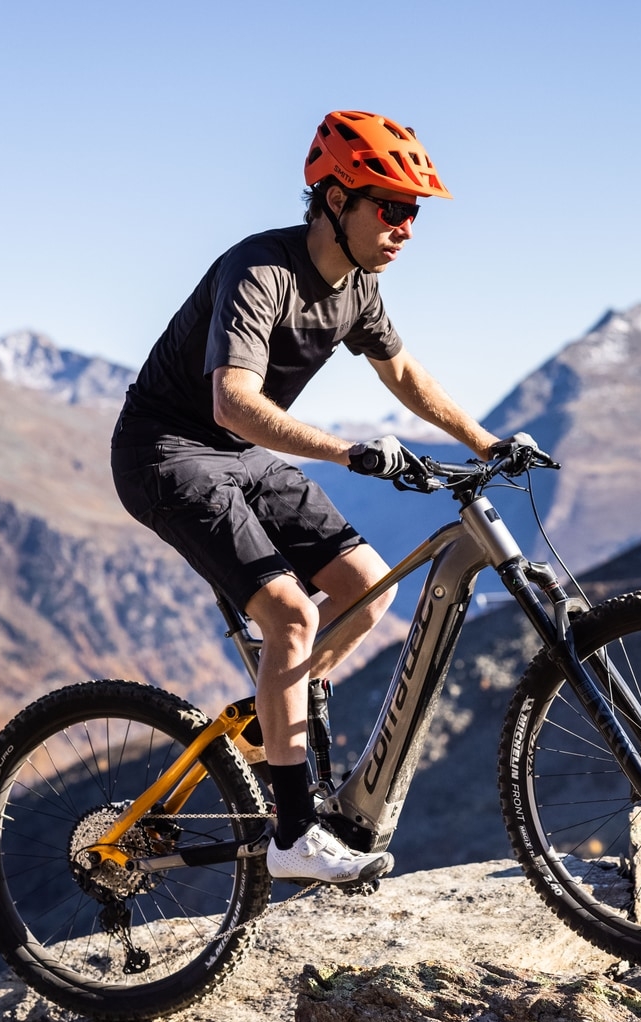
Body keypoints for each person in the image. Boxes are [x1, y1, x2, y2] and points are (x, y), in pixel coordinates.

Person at [111, 110, 499, 886]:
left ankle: (274, 708)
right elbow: (232, 403)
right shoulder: (261, 269)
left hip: (242, 458)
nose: (407, 229)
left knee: (366, 587)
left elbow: (404, 374)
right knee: (289, 613)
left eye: (413, 212)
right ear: (333, 200)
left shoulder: (359, 286)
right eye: (390, 208)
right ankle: (291, 836)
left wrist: (484, 441)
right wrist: (350, 451)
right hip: (167, 453)